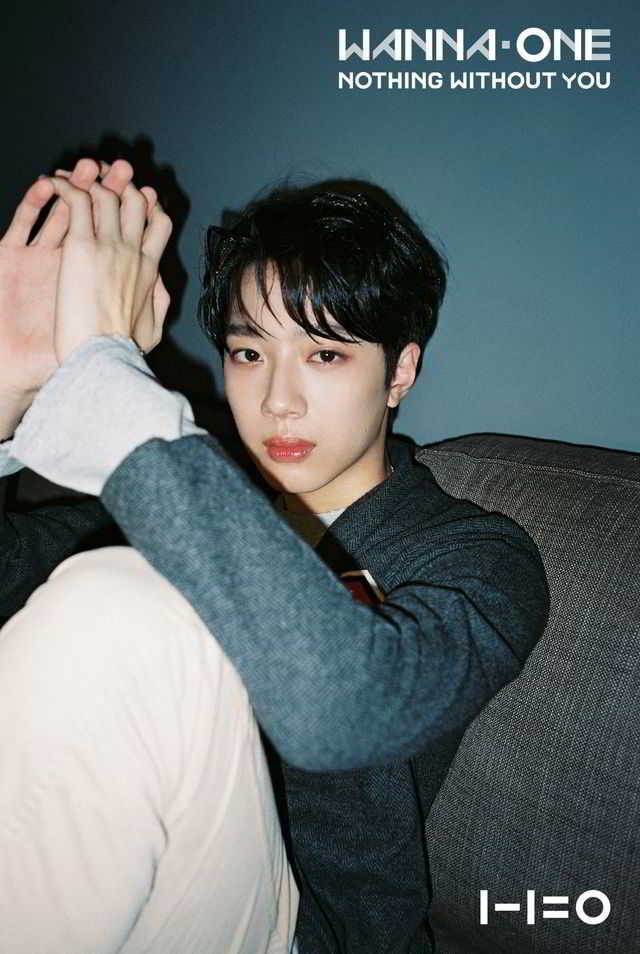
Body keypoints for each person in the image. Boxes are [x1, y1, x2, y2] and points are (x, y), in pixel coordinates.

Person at [0, 161, 549, 953]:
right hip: (133, 872)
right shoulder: (202, 493)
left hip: (310, 929)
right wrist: (10, 389)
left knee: (119, 597)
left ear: (400, 371)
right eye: (249, 353)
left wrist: (102, 380)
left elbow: (343, 713)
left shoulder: (478, 557)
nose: (276, 401)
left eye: (324, 355)